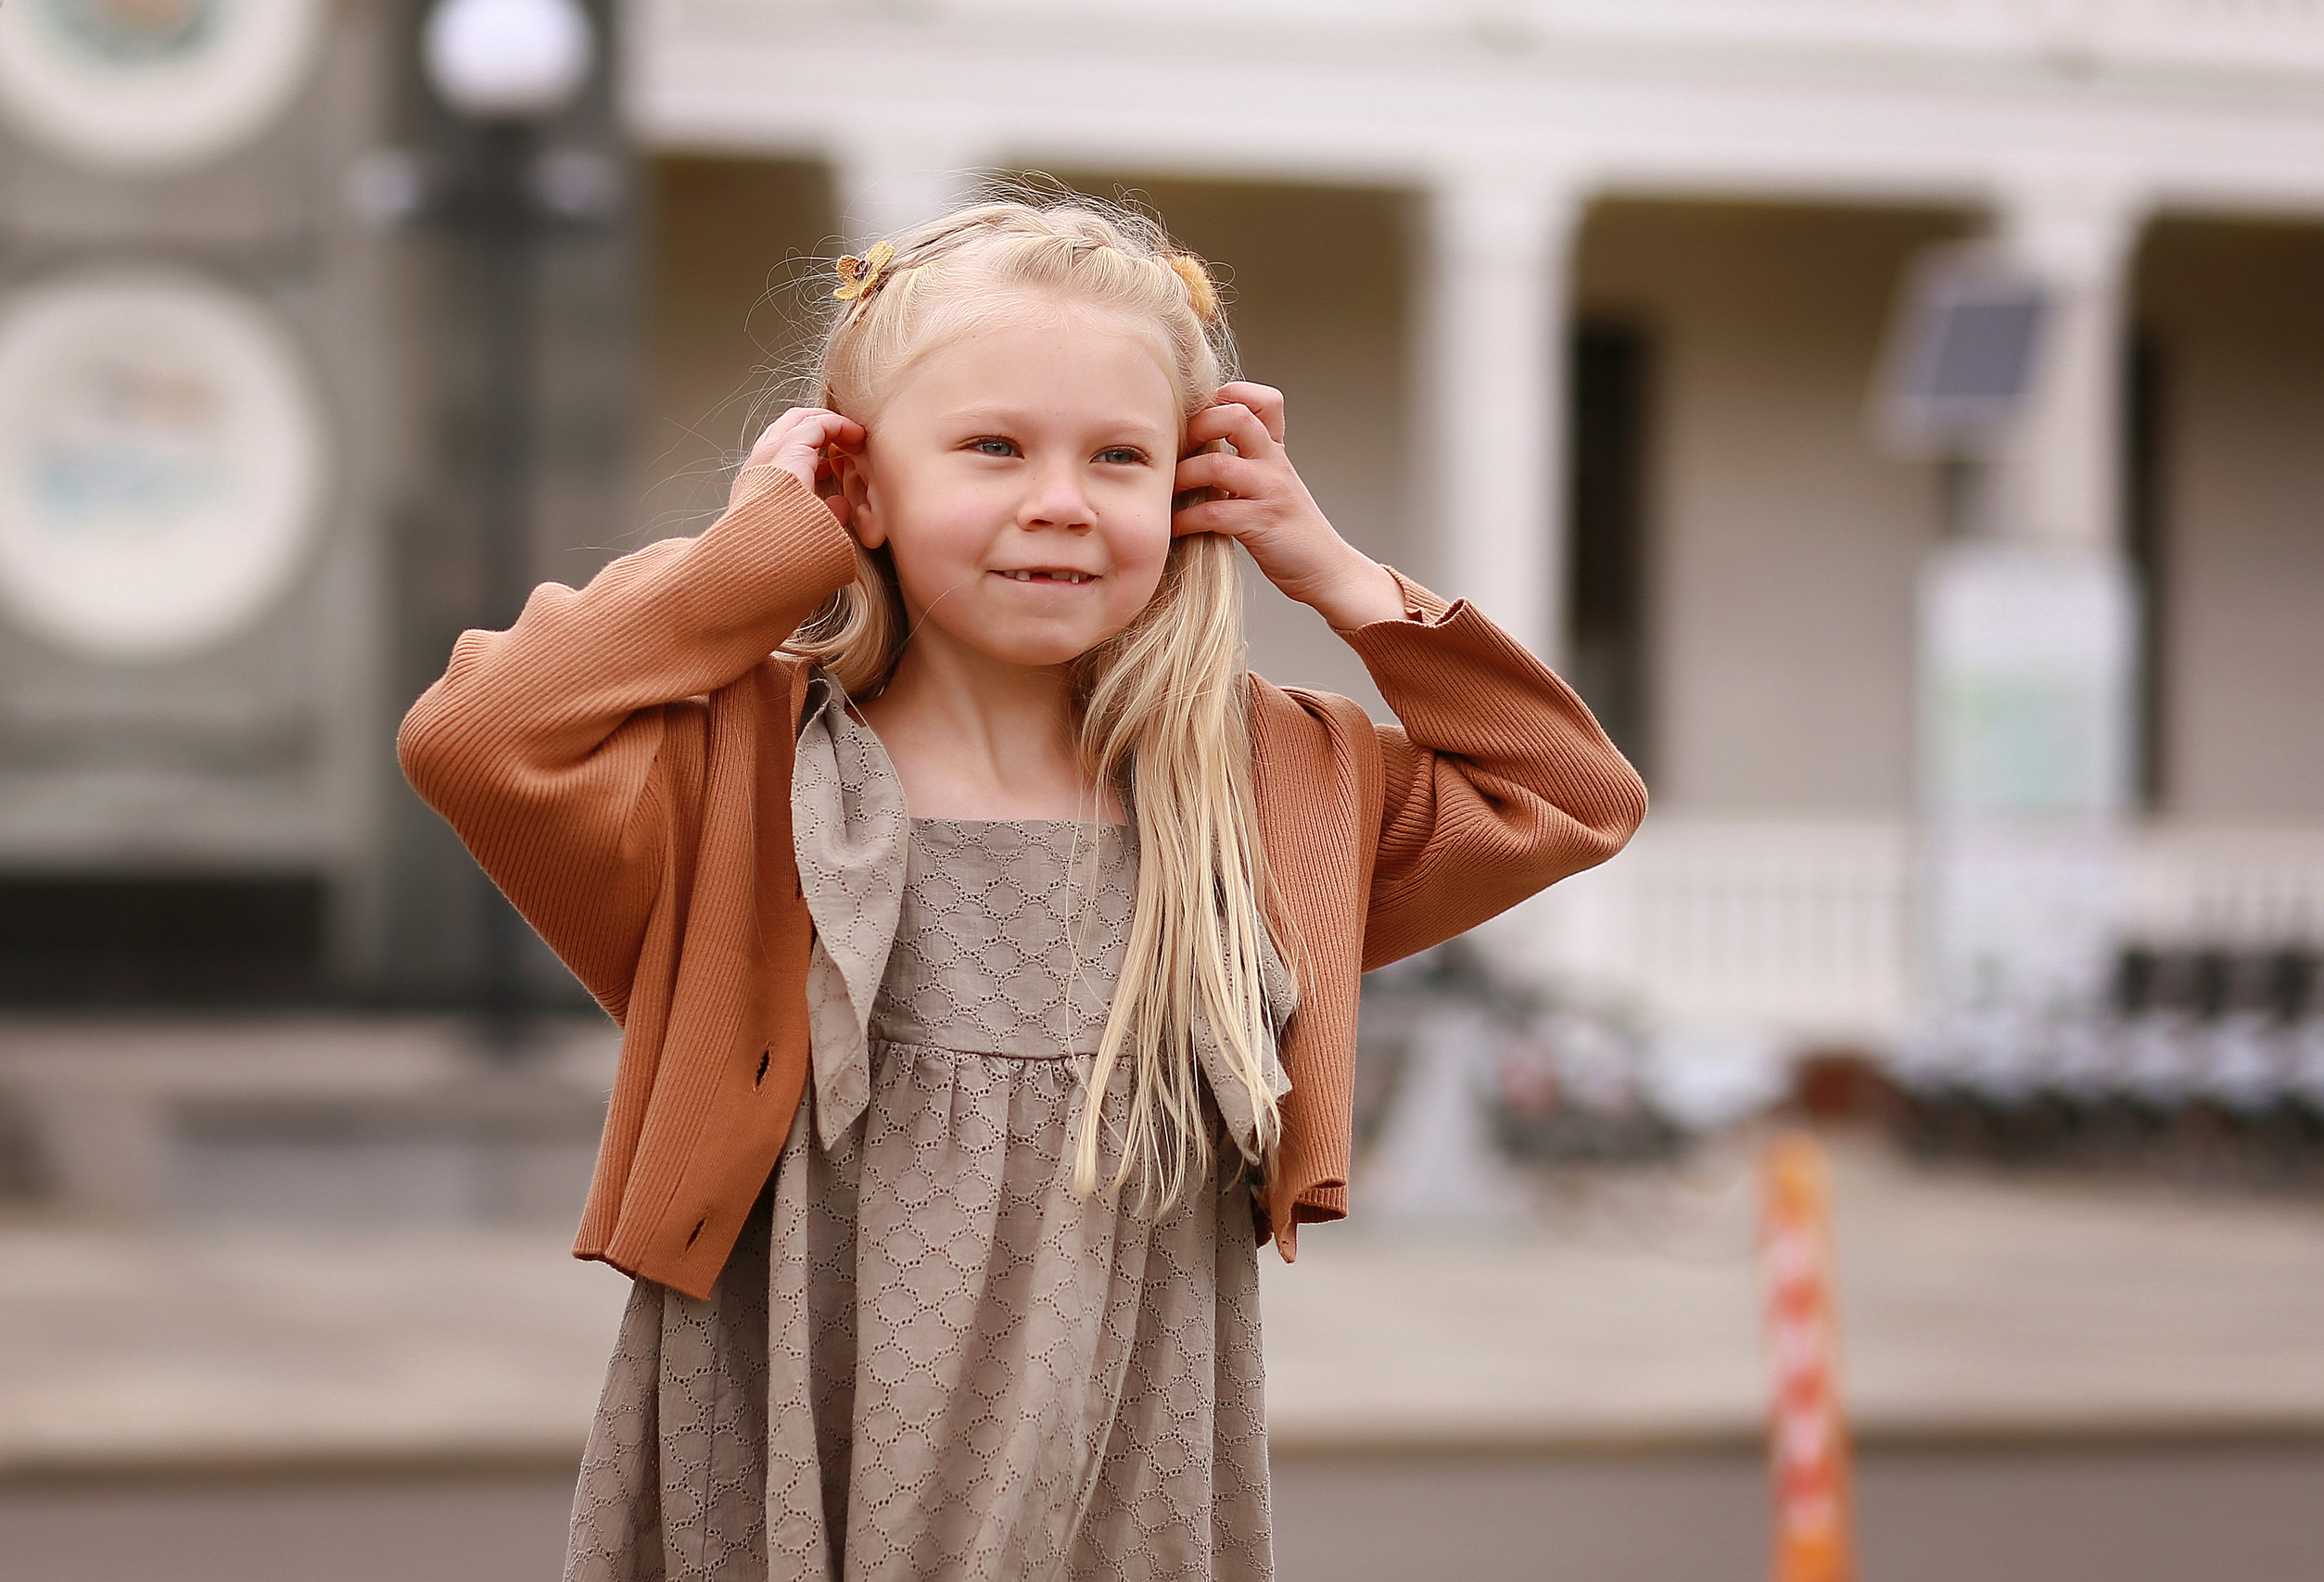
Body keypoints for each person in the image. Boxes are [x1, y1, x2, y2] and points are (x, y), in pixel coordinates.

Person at [399, 193, 1646, 1581]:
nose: (1060, 500)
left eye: (1121, 455)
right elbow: (476, 735)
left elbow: (1570, 795)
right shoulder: (740, 780)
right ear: (861, 487)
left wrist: (1341, 579)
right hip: (801, 1442)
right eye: (993, 447)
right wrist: (753, 557)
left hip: (1115, 1479)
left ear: (1194, 488)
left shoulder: (1245, 791)